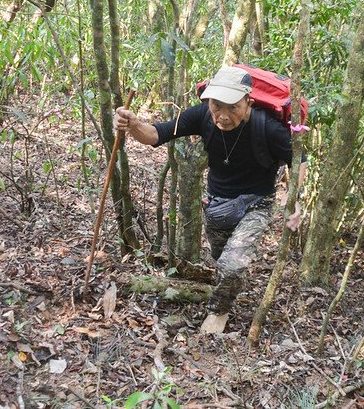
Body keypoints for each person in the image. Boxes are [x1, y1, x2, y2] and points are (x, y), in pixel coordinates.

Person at [113, 66, 306, 333]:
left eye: (232, 107)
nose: (223, 116)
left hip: (256, 204)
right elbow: (155, 135)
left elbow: (300, 161)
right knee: (221, 259)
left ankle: (218, 313)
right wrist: (132, 124)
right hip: (217, 205)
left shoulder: (269, 129)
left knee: (233, 263)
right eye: (217, 106)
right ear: (209, 101)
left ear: (248, 102)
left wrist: (295, 200)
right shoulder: (203, 115)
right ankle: (229, 287)